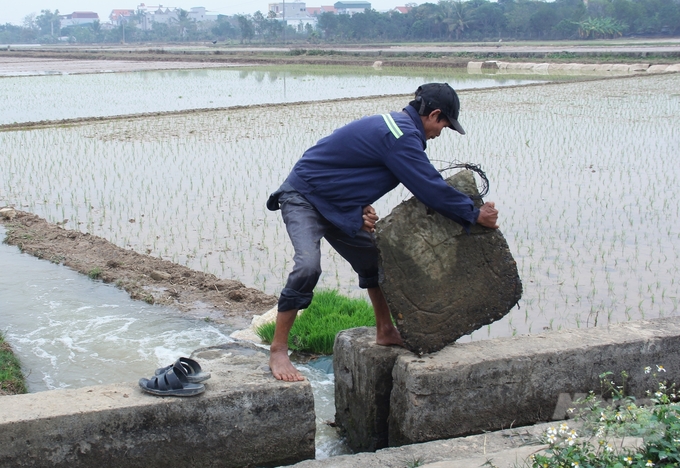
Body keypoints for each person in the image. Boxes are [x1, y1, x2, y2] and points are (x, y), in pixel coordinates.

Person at [266, 83, 500, 382]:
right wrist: (474, 213)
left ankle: (385, 330)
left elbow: (351, 166)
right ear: (435, 114)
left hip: (336, 204)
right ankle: (278, 349)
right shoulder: (400, 134)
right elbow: (428, 186)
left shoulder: (396, 128)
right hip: (304, 198)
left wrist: (357, 206)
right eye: (444, 125)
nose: (441, 133)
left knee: (374, 260)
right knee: (308, 265)